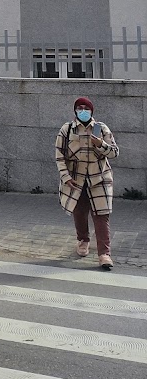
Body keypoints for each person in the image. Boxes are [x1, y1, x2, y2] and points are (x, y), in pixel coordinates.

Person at [55, 96, 119, 269]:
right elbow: (59, 155)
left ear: (92, 111)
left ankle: (104, 254)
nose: (83, 111)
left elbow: (114, 152)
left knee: (102, 215)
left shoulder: (101, 128)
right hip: (76, 180)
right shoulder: (67, 129)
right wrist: (65, 177)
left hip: (99, 178)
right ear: (75, 111)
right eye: (80, 108)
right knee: (80, 212)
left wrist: (100, 144)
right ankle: (83, 240)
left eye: (86, 108)